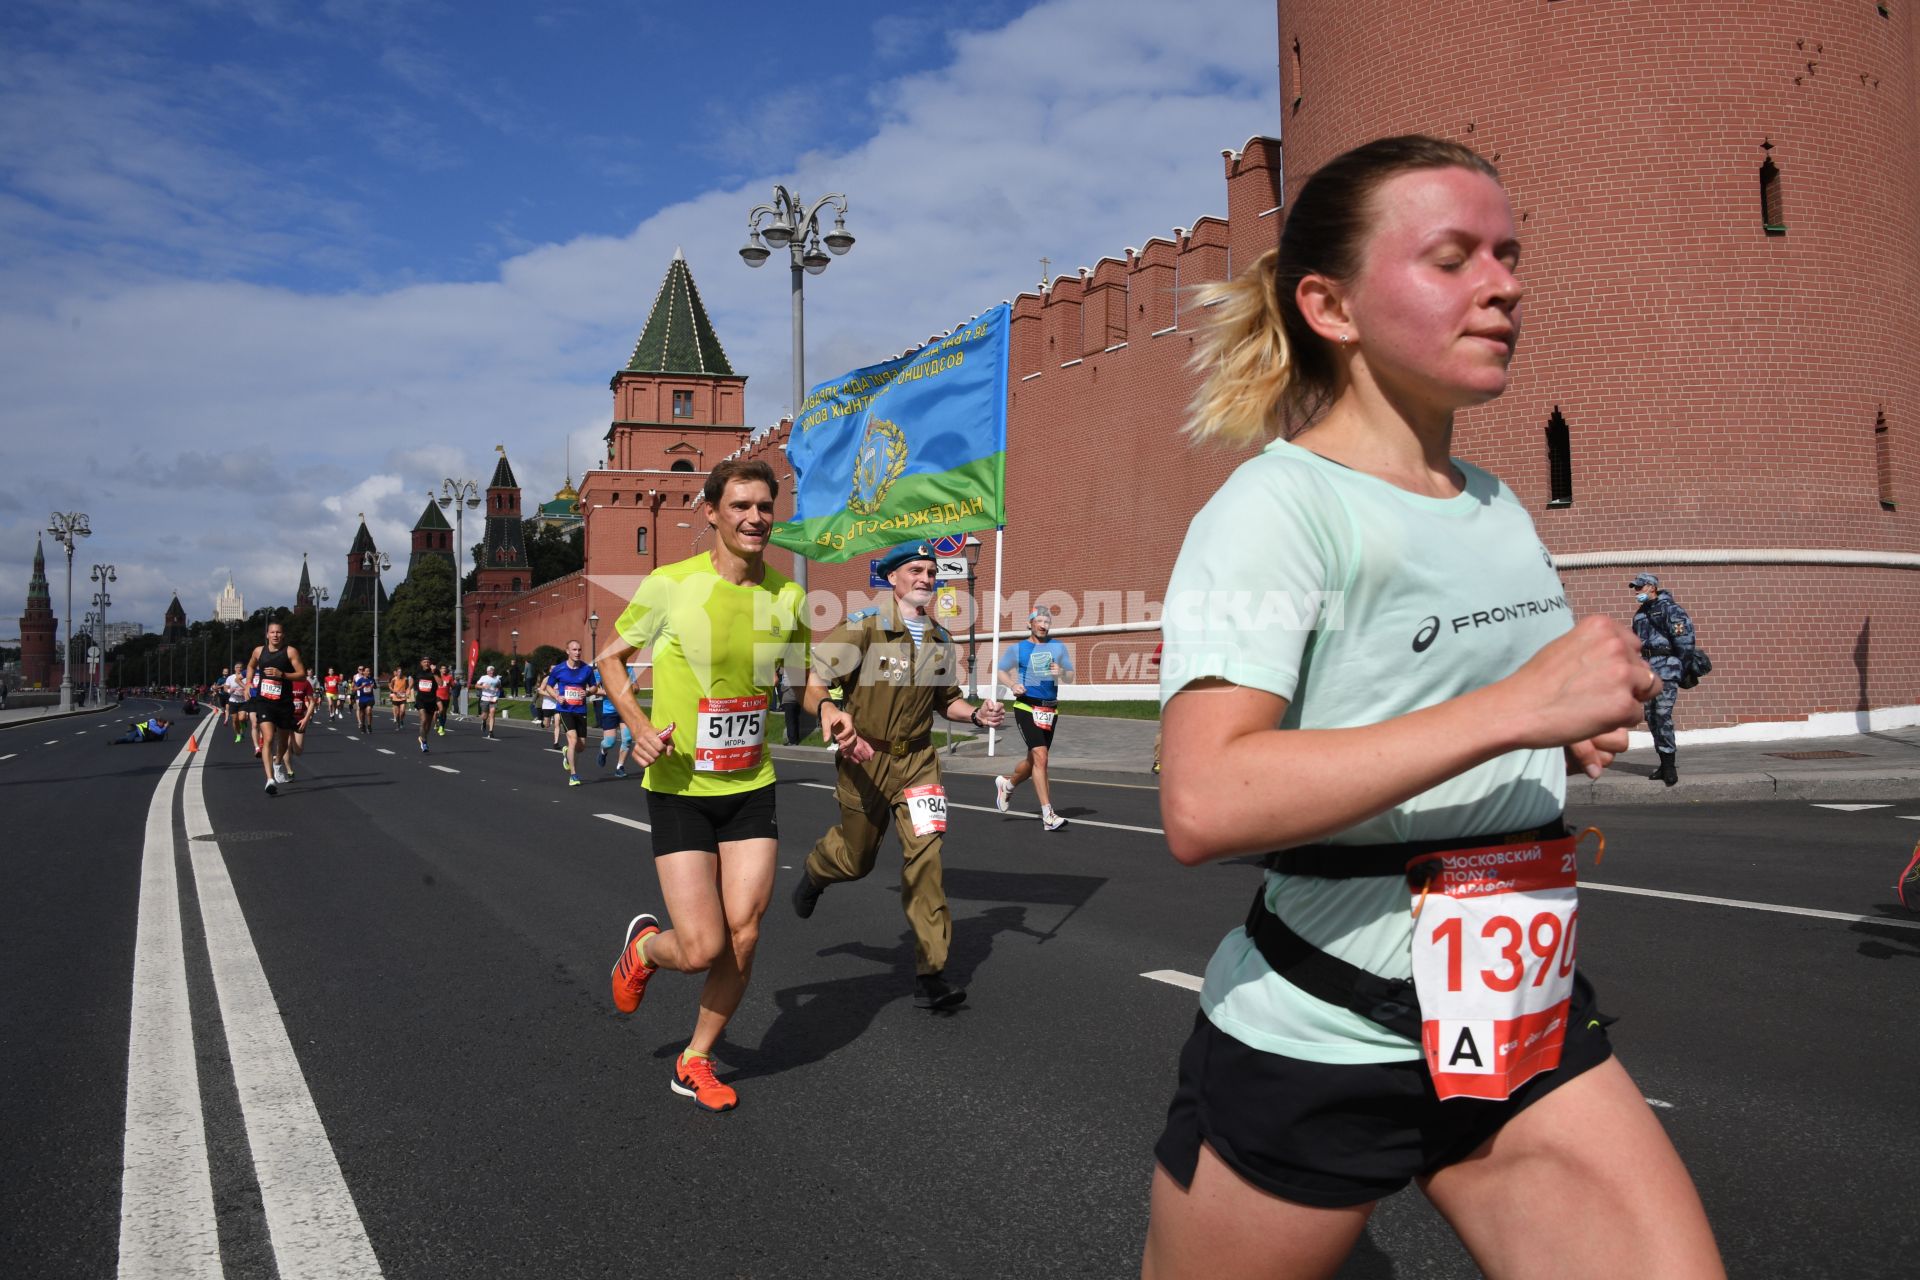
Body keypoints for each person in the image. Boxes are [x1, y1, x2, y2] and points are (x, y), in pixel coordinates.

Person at [1140, 137, 1721, 1279]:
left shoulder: (1495, 503)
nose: (1504, 284)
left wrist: (1561, 725)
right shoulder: (1275, 510)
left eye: (1507, 256)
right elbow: (1204, 799)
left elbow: (1446, 706)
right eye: (1452, 258)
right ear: (1330, 304)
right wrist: (1513, 707)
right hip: (1323, 1028)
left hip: (1515, 1004)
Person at [604, 458, 807, 1112]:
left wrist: (829, 707)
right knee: (699, 948)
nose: (755, 519)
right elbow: (611, 658)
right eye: (741, 506)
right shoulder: (670, 585)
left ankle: (695, 1058)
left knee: (744, 932)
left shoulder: (788, 595)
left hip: (752, 781)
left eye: (765, 507)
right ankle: (644, 950)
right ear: (712, 512)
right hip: (680, 783)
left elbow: (804, 679)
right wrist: (636, 723)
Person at [793, 540, 1006, 1012]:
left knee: (927, 861)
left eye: (932, 571)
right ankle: (815, 871)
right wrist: (829, 711)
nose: (927, 578)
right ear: (892, 578)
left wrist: (976, 717)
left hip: (919, 763)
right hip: (864, 758)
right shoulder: (863, 630)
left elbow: (944, 700)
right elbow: (812, 684)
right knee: (856, 859)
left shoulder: (939, 640)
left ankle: (931, 973)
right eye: (916, 570)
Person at [993, 607, 1075, 831]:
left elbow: (1070, 676)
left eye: (1047, 621)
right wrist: (1012, 685)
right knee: (1041, 756)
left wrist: (1061, 672)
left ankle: (1007, 785)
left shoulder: (1058, 647)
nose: (1043, 625)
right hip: (1026, 706)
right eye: (1038, 621)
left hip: (1050, 710)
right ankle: (1048, 815)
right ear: (1029, 624)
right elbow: (1001, 670)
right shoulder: (1018, 648)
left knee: (1034, 761)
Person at [1629, 573, 1695, 787]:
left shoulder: (1670, 609)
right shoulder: (1639, 615)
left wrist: (1679, 668)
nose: (1636, 591)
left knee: (1662, 714)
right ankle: (1663, 762)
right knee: (1651, 717)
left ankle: (1669, 766)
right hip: (1647, 670)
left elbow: (1685, 640)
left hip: (1666, 667)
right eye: (1635, 588)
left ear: (1651, 587)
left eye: (1640, 587)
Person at [244, 622, 305, 796]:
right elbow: (250, 666)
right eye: (272, 632)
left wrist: (282, 675)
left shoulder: (290, 651)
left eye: (278, 632)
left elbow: (301, 673)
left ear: (283, 635)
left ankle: (278, 763)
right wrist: (248, 682)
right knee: (269, 737)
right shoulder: (258, 651)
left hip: (284, 702)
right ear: (267, 635)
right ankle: (270, 779)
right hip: (264, 701)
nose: (275, 635)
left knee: (283, 742)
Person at [539, 641, 600, 785]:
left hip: (581, 710)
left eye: (579, 649)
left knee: (581, 746)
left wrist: (588, 692)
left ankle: (566, 752)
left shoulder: (586, 669)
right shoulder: (559, 669)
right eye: (574, 650)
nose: (577, 652)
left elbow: (594, 687)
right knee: (572, 739)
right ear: (567, 651)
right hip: (565, 709)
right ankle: (573, 775)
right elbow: (548, 686)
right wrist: (556, 696)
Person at [286, 672, 314, 778]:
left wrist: (306, 719)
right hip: (286, 718)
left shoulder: (305, 683)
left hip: (299, 718)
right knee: (286, 745)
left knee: (298, 751)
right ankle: (289, 771)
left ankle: (287, 751)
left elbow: (312, 702)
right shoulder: (285, 682)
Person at [412, 656, 440, 752]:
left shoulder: (435, 672)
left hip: (431, 700)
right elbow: (412, 679)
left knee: (428, 725)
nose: (426, 663)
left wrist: (434, 673)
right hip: (421, 699)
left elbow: (440, 683)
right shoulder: (418, 672)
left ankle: (423, 738)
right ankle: (424, 743)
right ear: (421, 663)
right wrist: (408, 689)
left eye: (428, 662)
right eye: (424, 662)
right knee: (423, 720)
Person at [775, 661, 802, 745]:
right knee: (796, 719)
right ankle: (796, 739)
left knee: (790, 720)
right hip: (798, 699)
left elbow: (780, 672)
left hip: (789, 699)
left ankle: (792, 740)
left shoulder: (787, 671)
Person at [475, 664, 503, 739]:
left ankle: (491, 732)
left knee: (492, 714)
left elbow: (499, 686)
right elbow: (476, 685)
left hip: (493, 698)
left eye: (492, 670)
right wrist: (483, 686)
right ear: (487, 671)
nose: (491, 672)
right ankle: (484, 721)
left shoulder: (497, 679)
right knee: (484, 715)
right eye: (490, 670)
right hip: (485, 698)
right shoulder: (483, 677)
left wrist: (498, 689)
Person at [353, 664, 377, 734]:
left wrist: (373, 686)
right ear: (363, 672)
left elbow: (375, 687)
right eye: (367, 671)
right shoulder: (360, 680)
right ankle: (363, 726)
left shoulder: (372, 679)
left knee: (369, 711)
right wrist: (361, 687)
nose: (368, 672)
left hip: (370, 698)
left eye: (369, 671)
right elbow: (354, 688)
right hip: (362, 698)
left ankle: (369, 726)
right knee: (362, 714)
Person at [435, 664, 454, 736]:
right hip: (438, 696)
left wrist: (451, 684)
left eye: (445, 668)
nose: (444, 670)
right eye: (442, 668)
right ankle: (439, 722)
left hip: (446, 697)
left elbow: (453, 686)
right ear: (440, 669)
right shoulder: (437, 676)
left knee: (444, 713)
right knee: (441, 709)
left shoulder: (449, 677)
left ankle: (441, 726)